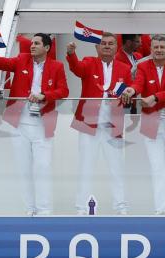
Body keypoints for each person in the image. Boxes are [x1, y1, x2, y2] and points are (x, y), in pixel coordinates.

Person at [0, 33, 69, 215]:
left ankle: (44, 211)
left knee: (43, 167)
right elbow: (3, 64)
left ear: (46, 48)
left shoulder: (57, 66)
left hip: (42, 123)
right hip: (20, 123)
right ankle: (29, 210)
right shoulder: (22, 59)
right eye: (31, 43)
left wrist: (45, 95)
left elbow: (64, 90)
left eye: (36, 43)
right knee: (24, 168)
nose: (32, 46)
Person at [66, 32, 132, 215]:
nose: (107, 46)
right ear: (97, 47)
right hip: (89, 125)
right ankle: (81, 208)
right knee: (85, 167)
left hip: (113, 125)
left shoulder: (124, 68)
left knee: (117, 168)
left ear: (116, 47)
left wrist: (128, 94)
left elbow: (130, 91)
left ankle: (121, 207)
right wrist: (71, 54)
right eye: (103, 43)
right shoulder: (88, 62)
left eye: (111, 44)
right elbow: (77, 69)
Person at [121, 35, 165, 214]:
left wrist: (155, 97)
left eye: (161, 47)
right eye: (155, 47)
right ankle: (161, 210)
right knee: (157, 167)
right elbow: (138, 83)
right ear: (151, 49)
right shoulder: (142, 66)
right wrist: (131, 90)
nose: (158, 50)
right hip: (151, 123)